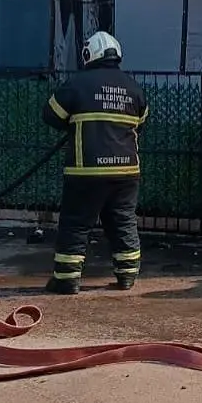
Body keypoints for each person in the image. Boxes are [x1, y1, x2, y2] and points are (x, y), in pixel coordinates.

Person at [42, 31, 148, 294]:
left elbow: (50, 114)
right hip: (126, 171)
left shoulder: (78, 84)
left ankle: (67, 280)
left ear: (88, 55)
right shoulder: (133, 87)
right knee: (123, 220)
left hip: (86, 169)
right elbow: (142, 122)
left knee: (76, 223)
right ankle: (127, 276)